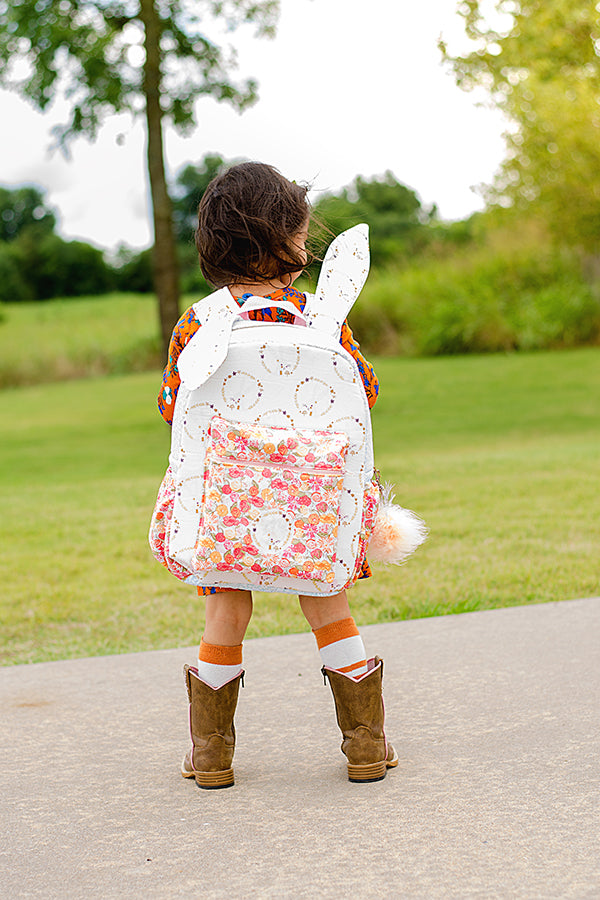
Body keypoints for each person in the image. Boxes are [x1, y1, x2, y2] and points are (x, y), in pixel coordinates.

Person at [157, 161, 398, 788]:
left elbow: (173, 404)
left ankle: (211, 755)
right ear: (286, 240)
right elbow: (363, 391)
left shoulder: (200, 321)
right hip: (311, 503)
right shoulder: (321, 318)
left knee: (225, 613)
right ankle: (366, 746)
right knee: (329, 608)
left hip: (228, 507)